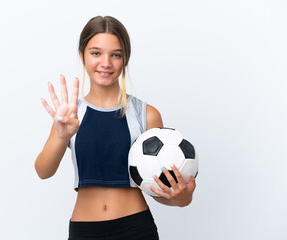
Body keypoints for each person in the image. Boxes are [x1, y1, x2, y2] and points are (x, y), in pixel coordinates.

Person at [35, 16, 197, 240]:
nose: (106, 63)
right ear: (81, 55)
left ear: (125, 59)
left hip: (135, 229)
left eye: (116, 55)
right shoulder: (70, 114)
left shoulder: (146, 114)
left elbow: (159, 187)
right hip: (84, 231)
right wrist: (62, 137)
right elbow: (43, 171)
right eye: (96, 53)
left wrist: (182, 198)